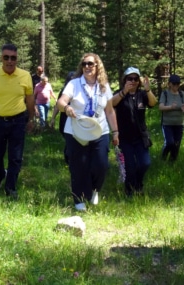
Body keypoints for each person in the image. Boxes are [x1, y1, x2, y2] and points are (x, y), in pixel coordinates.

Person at [56, 53, 119, 211]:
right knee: (78, 166)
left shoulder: (104, 86)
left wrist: (116, 132)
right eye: (84, 64)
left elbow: (110, 111)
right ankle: (79, 200)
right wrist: (67, 107)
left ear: (98, 66)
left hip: (99, 130)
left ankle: (94, 189)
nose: (87, 67)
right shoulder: (74, 84)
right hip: (76, 130)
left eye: (90, 64)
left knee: (101, 165)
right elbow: (60, 101)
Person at [0, 43, 36, 199]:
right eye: (6, 57)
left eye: (13, 58)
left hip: (18, 121)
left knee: (16, 157)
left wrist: (31, 119)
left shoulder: (25, 75)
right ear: (1, 58)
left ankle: (10, 187)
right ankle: (0, 175)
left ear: (17, 59)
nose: (10, 61)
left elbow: (30, 99)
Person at [111, 67, 157, 195]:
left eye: (136, 79)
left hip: (141, 136)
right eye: (130, 78)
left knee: (145, 163)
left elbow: (153, 103)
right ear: (124, 80)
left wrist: (148, 89)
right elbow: (111, 104)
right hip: (125, 137)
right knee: (130, 166)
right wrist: (124, 91)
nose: (133, 81)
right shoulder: (119, 93)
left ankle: (138, 183)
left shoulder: (142, 94)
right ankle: (130, 190)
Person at [159, 74, 184, 162]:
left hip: (179, 123)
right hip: (167, 123)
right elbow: (161, 107)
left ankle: (172, 162)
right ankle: (163, 157)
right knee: (169, 142)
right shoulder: (165, 93)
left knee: (176, 144)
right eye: (174, 84)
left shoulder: (181, 93)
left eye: (178, 84)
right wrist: (170, 107)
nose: (176, 86)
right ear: (170, 84)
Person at [50, 71, 76, 164]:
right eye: (71, 78)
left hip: (76, 119)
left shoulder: (80, 90)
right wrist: (53, 118)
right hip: (65, 119)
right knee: (69, 140)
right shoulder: (64, 91)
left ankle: (72, 158)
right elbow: (57, 105)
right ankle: (68, 158)